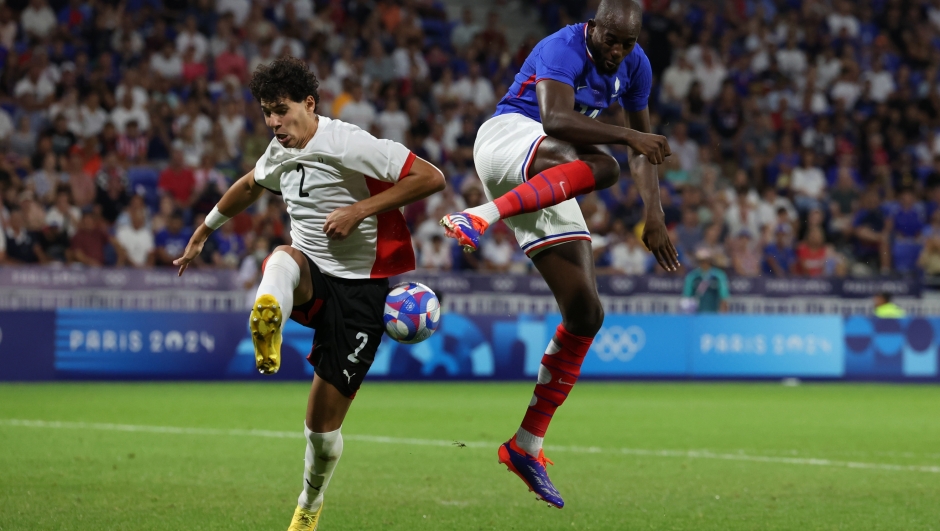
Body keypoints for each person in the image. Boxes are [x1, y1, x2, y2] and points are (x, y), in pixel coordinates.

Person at [173, 57, 445, 530]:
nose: (274, 122)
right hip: (313, 276)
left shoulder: (348, 143)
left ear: (310, 104)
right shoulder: (280, 149)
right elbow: (251, 184)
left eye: (281, 109)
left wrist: (359, 209)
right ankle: (269, 319)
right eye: (266, 112)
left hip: (362, 297)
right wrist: (205, 229)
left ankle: (309, 505)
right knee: (283, 256)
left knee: (321, 432)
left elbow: (430, 177)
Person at [438, 0, 678, 508]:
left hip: (551, 176)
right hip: (509, 141)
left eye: (627, 42)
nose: (617, 51)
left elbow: (643, 151)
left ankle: (526, 446)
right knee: (603, 164)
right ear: (594, 27)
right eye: (611, 39)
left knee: (587, 313)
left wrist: (652, 214)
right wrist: (630, 135)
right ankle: (481, 215)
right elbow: (555, 117)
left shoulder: (636, 66)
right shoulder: (561, 46)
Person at [682, 248, 730, 313]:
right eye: (701, 261)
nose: (704, 263)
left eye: (706, 261)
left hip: (714, 314)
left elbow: (724, 297)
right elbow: (687, 296)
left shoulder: (719, 276)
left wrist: (723, 315)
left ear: (710, 261)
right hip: (697, 314)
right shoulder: (692, 276)